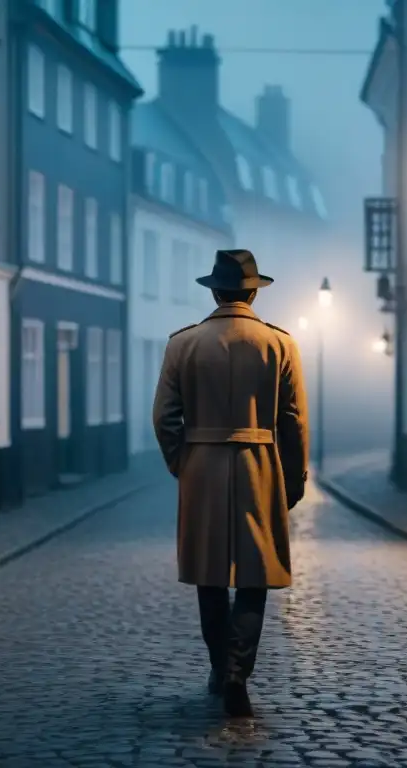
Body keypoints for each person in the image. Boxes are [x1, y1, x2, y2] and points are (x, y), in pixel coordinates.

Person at [152, 248, 310, 718]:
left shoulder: (183, 344)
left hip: (202, 463)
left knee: (210, 576)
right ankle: (239, 672)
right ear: (253, 292)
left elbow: (164, 417)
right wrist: (293, 477)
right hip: (259, 463)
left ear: (216, 291)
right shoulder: (280, 344)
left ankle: (221, 669)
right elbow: (293, 420)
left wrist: (184, 461)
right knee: (255, 577)